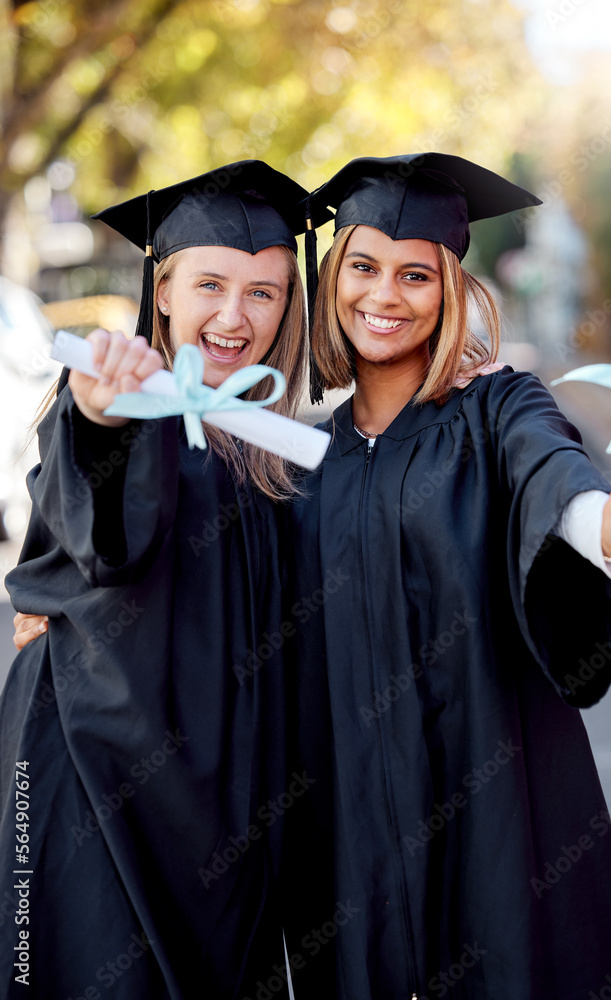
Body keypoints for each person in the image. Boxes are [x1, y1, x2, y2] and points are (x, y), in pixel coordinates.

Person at [279, 153, 611, 1000]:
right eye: (363, 267)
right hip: (353, 837)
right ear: (332, 276)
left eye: (415, 274)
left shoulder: (499, 408)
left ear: (452, 287)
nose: (384, 296)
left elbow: (551, 474)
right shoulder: (306, 469)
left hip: (499, 805)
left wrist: (601, 525)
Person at [0, 160, 326, 999]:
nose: (234, 315)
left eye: (264, 292)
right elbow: (102, 535)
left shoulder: (281, 452)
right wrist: (107, 413)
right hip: (93, 781)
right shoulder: (124, 406)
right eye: (210, 284)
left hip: (226, 807)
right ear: (165, 290)